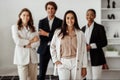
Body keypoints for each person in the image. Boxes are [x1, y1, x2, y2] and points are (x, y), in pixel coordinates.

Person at [50, 10, 87, 80]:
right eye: (68, 18)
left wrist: (84, 66)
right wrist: (55, 60)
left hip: (76, 62)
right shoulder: (58, 32)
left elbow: (84, 51)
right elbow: (52, 46)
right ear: (65, 19)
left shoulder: (80, 33)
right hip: (63, 62)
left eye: (72, 18)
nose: (70, 20)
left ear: (75, 19)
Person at [11, 8, 40, 80]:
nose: (26, 17)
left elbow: (38, 42)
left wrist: (28, 44)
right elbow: (17, 41)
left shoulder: (33, 28)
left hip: (32, 58)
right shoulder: (15, 27)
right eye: (23, 15)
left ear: (30, 17)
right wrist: (32, 40)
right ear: (20, 16)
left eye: (28, 15)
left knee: (33, 79)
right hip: (21, 58)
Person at [37, 1, 62, 80]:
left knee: (59, 71)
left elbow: (59, 37)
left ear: (55, 10)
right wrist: (51, 35)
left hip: (55, 49)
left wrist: (46, 34)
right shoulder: (41, 21)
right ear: (46, 10)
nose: (50, 10)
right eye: (48, 8)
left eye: (52, 8)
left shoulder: (60, 22)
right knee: (41, 73)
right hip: (44, 49)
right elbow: (41, 36)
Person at [82, 9, 108, 80]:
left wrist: (91, 46)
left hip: (97, 58)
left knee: (96, 78)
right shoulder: (83, 29)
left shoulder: (100, 28)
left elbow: (104, 42)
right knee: (88, 78)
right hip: (86, 58)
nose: (89, 16)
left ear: (94, 16)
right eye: (87, 15)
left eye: (91, 15)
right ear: (85, 16)